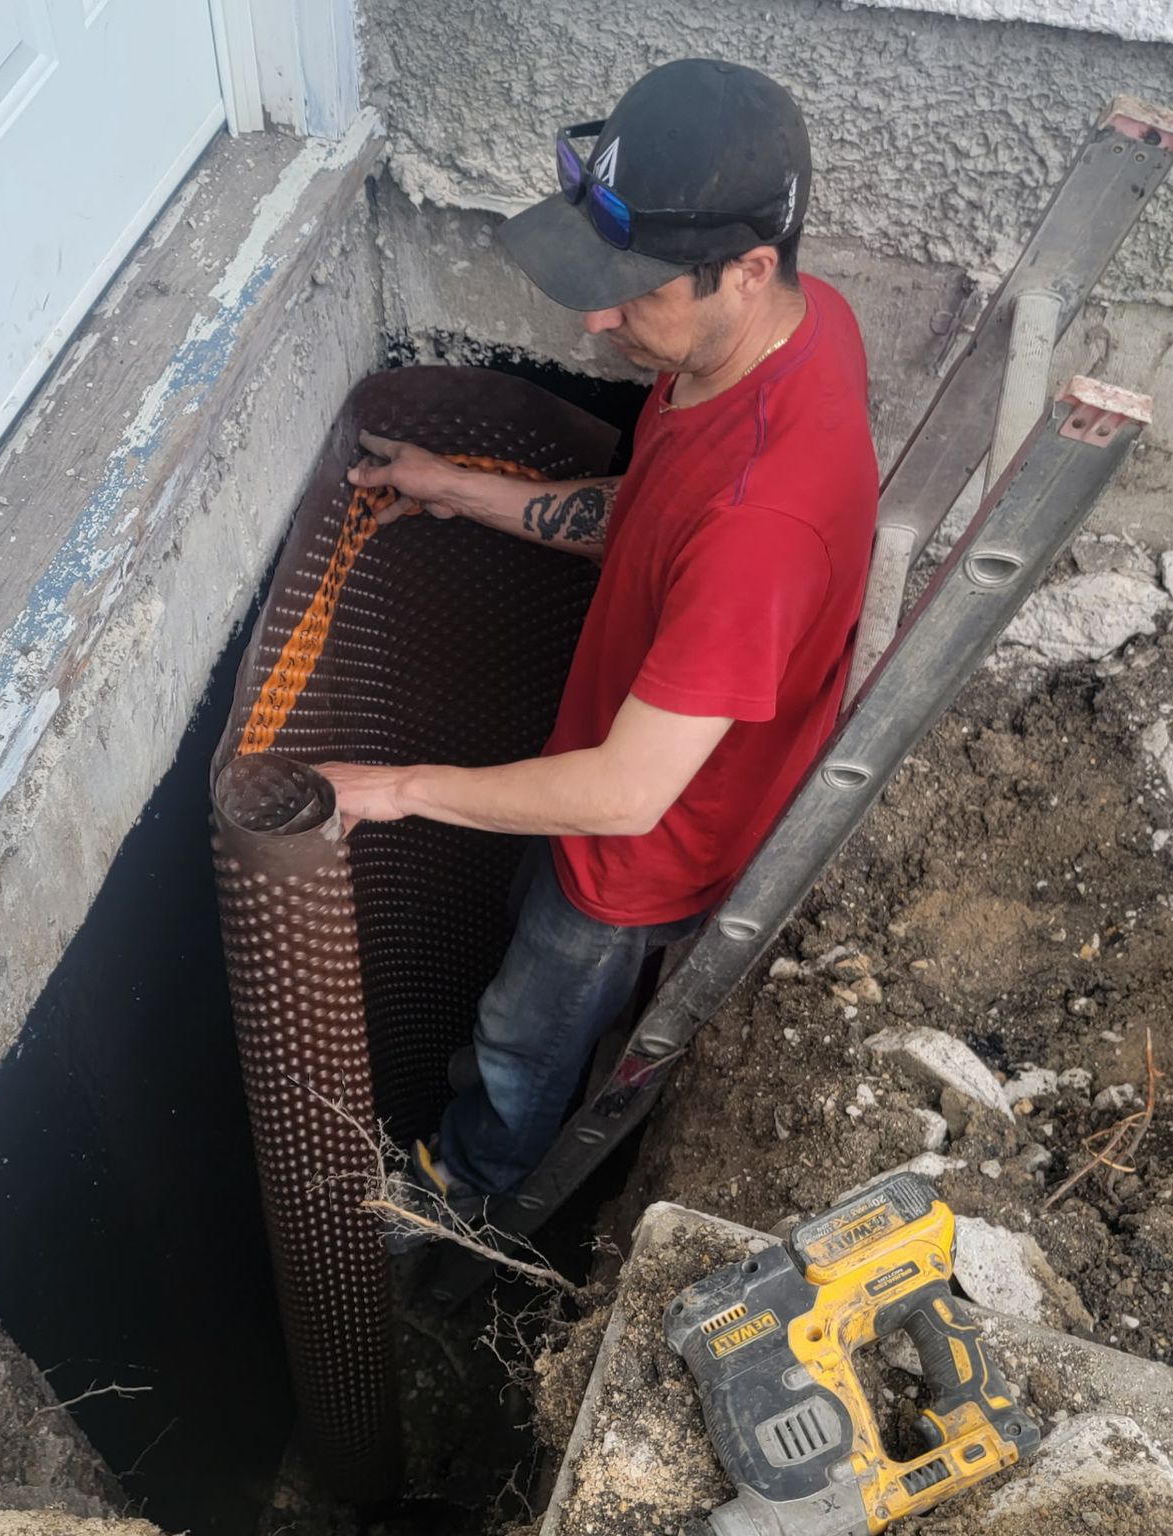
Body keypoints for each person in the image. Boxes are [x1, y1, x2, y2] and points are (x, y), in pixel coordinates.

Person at [317, 59, 878, 1217]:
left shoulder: (762, 525)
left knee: (522, 1039)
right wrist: (467, 490)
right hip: (627, 771)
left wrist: (397, 789)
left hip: (642, 855)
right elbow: (652, 518)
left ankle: (468, 1199)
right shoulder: (792, 333)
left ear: (748, 269)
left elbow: (624, 796)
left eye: (633, 291)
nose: (594, 317)